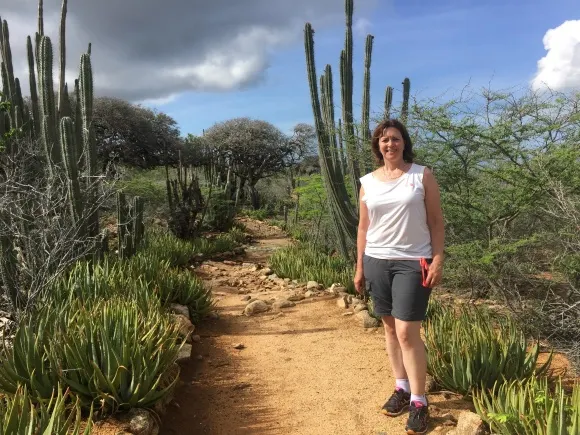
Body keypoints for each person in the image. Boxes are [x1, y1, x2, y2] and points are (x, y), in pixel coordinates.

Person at [354, 118, 444, 435]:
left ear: (403, 142)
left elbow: (435, 221)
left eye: (394, 138)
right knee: (390, 329)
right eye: (383, 139)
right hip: (377, 259)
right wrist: (360, 266)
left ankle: (419, 401)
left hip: (412, 261)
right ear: (377, 147)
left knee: (407, 332)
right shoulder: (368, 181)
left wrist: (438, 258)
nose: (389, 144)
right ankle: (402, 388)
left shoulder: (422, 175)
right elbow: (363, 227)